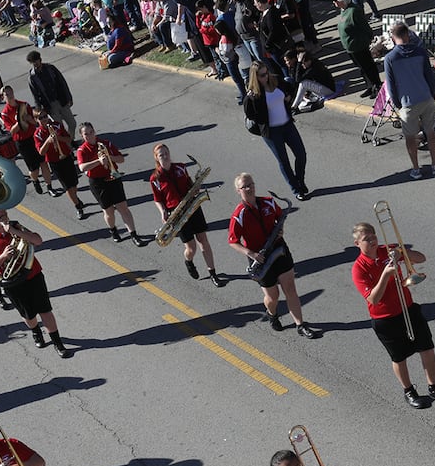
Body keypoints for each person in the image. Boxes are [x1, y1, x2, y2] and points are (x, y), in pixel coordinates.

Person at [350, 222, 435, 409]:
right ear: (357, 244)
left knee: (427, 348)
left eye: (373, 236)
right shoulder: (358, 269)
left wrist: (402, 253)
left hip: (408, 308)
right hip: (384, 318)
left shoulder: (386, 250)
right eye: (366, 239)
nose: (372, 241)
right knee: (399, 357)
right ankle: (409, 391)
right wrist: (385, 275)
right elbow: (373, 298)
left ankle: (434, 387)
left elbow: (421, 258)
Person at [227, 172, 319, 338]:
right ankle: (272, 313)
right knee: (273, 296)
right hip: (259, 257)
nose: (249, 188)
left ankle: (300, 325)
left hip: (278, 249)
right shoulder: (239, 214)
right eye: (244, 186)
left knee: (290, 288)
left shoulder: (268, 202)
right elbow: (233, 241)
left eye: (251, 184)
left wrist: (280, 230)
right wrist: (251, 254)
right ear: (238, 191)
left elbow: (279, 218)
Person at [0, 209, 72, 358]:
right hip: (12, 283)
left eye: (3, 216)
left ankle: (58, 343)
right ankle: (36, 331)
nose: (1, 220)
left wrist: (16, 232)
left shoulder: (17, 228)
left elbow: (38, 241)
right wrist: (3, 256)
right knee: (28, 315)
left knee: (45, 311)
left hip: (33, 275)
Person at [149, 143, 225, 286]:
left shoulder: (181, 167)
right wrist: (163, 211)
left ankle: (213, 273)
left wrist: (196, 188)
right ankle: (188, 261)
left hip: (192, 206)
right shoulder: (155, 178)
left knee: (203, 239)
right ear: (156, 158)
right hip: (176, 214)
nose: (165, 156)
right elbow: (158, 199)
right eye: (161, 155)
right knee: (191, 248)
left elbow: (190, 184)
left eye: (166, 153)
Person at [244, 62, 311, 199]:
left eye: (266, 72)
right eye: (262, 75)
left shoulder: (276, 80)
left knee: (301, 154)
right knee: (284, 161)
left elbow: (290, 88)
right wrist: (249, 99)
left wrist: (288, 98)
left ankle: (300, 180)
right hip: (272, 132)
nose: (266, 76)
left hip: (287, 125)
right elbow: (250, 114)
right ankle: (296, 190)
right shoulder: (254, 94)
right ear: (255, 77)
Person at [383, 22, 435, 178]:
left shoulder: (390, 58)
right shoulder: (421, 52)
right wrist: (432, 93)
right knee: (431, 132)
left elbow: (391, 84)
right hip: (425, 98)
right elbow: (429, 76)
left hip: (407, 103)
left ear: (393, 37)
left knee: (410, 138)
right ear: (408, 34)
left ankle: (416, 168)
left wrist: (397, 104)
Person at [74, 122, 144, 245]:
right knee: (109, 211)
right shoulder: (82, 150)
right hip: (98, 182)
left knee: (123, 208)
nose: (90, 135)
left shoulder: (105, 143)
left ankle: (134, 234)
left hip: (113, 177)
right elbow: (82, 168)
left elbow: (121, 159)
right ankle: (113, 230)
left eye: (91, 132)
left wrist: (109, 157)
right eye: (86, 134)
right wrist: (99, 161)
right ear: (82, 136)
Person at [34, 108, 88, 219]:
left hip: (66, 156)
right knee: (67, 187)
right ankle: (78, 207)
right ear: (36, 120)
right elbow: (41, 152)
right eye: (41, 118)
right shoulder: (37, 134)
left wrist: (58, 138)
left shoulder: (57, 125)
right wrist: (48, 141)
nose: (44, 119)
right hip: (54, 162)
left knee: (74, 183)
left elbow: (68, 139)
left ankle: (76, 198)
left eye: (45, 116)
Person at [334, 0, 380, 99]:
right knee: (361, 68)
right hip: (351, 48)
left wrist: (369, 40)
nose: (333, 2)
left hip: (359, 46)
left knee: (368, 67)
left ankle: (377, 86)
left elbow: (365, 28)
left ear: (341, 0)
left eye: (335, 0)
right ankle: (369, 86)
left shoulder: (354, 11)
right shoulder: (343, 10)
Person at [26, 50, 75, 132]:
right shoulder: (32, 78)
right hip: (50, 106)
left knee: (72, 123)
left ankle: (70, 139)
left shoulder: (51, 68)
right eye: (33, 63)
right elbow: (35, 95)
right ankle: (68, 144)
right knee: (59, 127)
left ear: (40, 59)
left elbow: (62, 83)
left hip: (61, 100)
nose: (35, 64)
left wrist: (69, 97)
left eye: (36, 61)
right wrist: (39, 109)